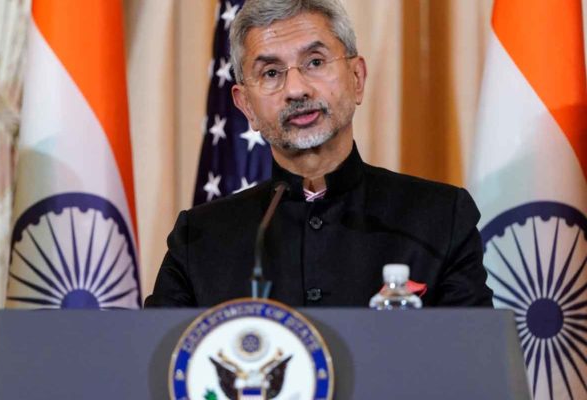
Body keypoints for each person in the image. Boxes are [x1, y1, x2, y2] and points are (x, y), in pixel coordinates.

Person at [145, 0, 493, 308]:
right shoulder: (199, 239)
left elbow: (475, 355)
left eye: (314, 62)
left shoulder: (439, 220)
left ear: (357, 78)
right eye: (270, 73)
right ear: (246, 105)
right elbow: (156, 356)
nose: (296, 89)